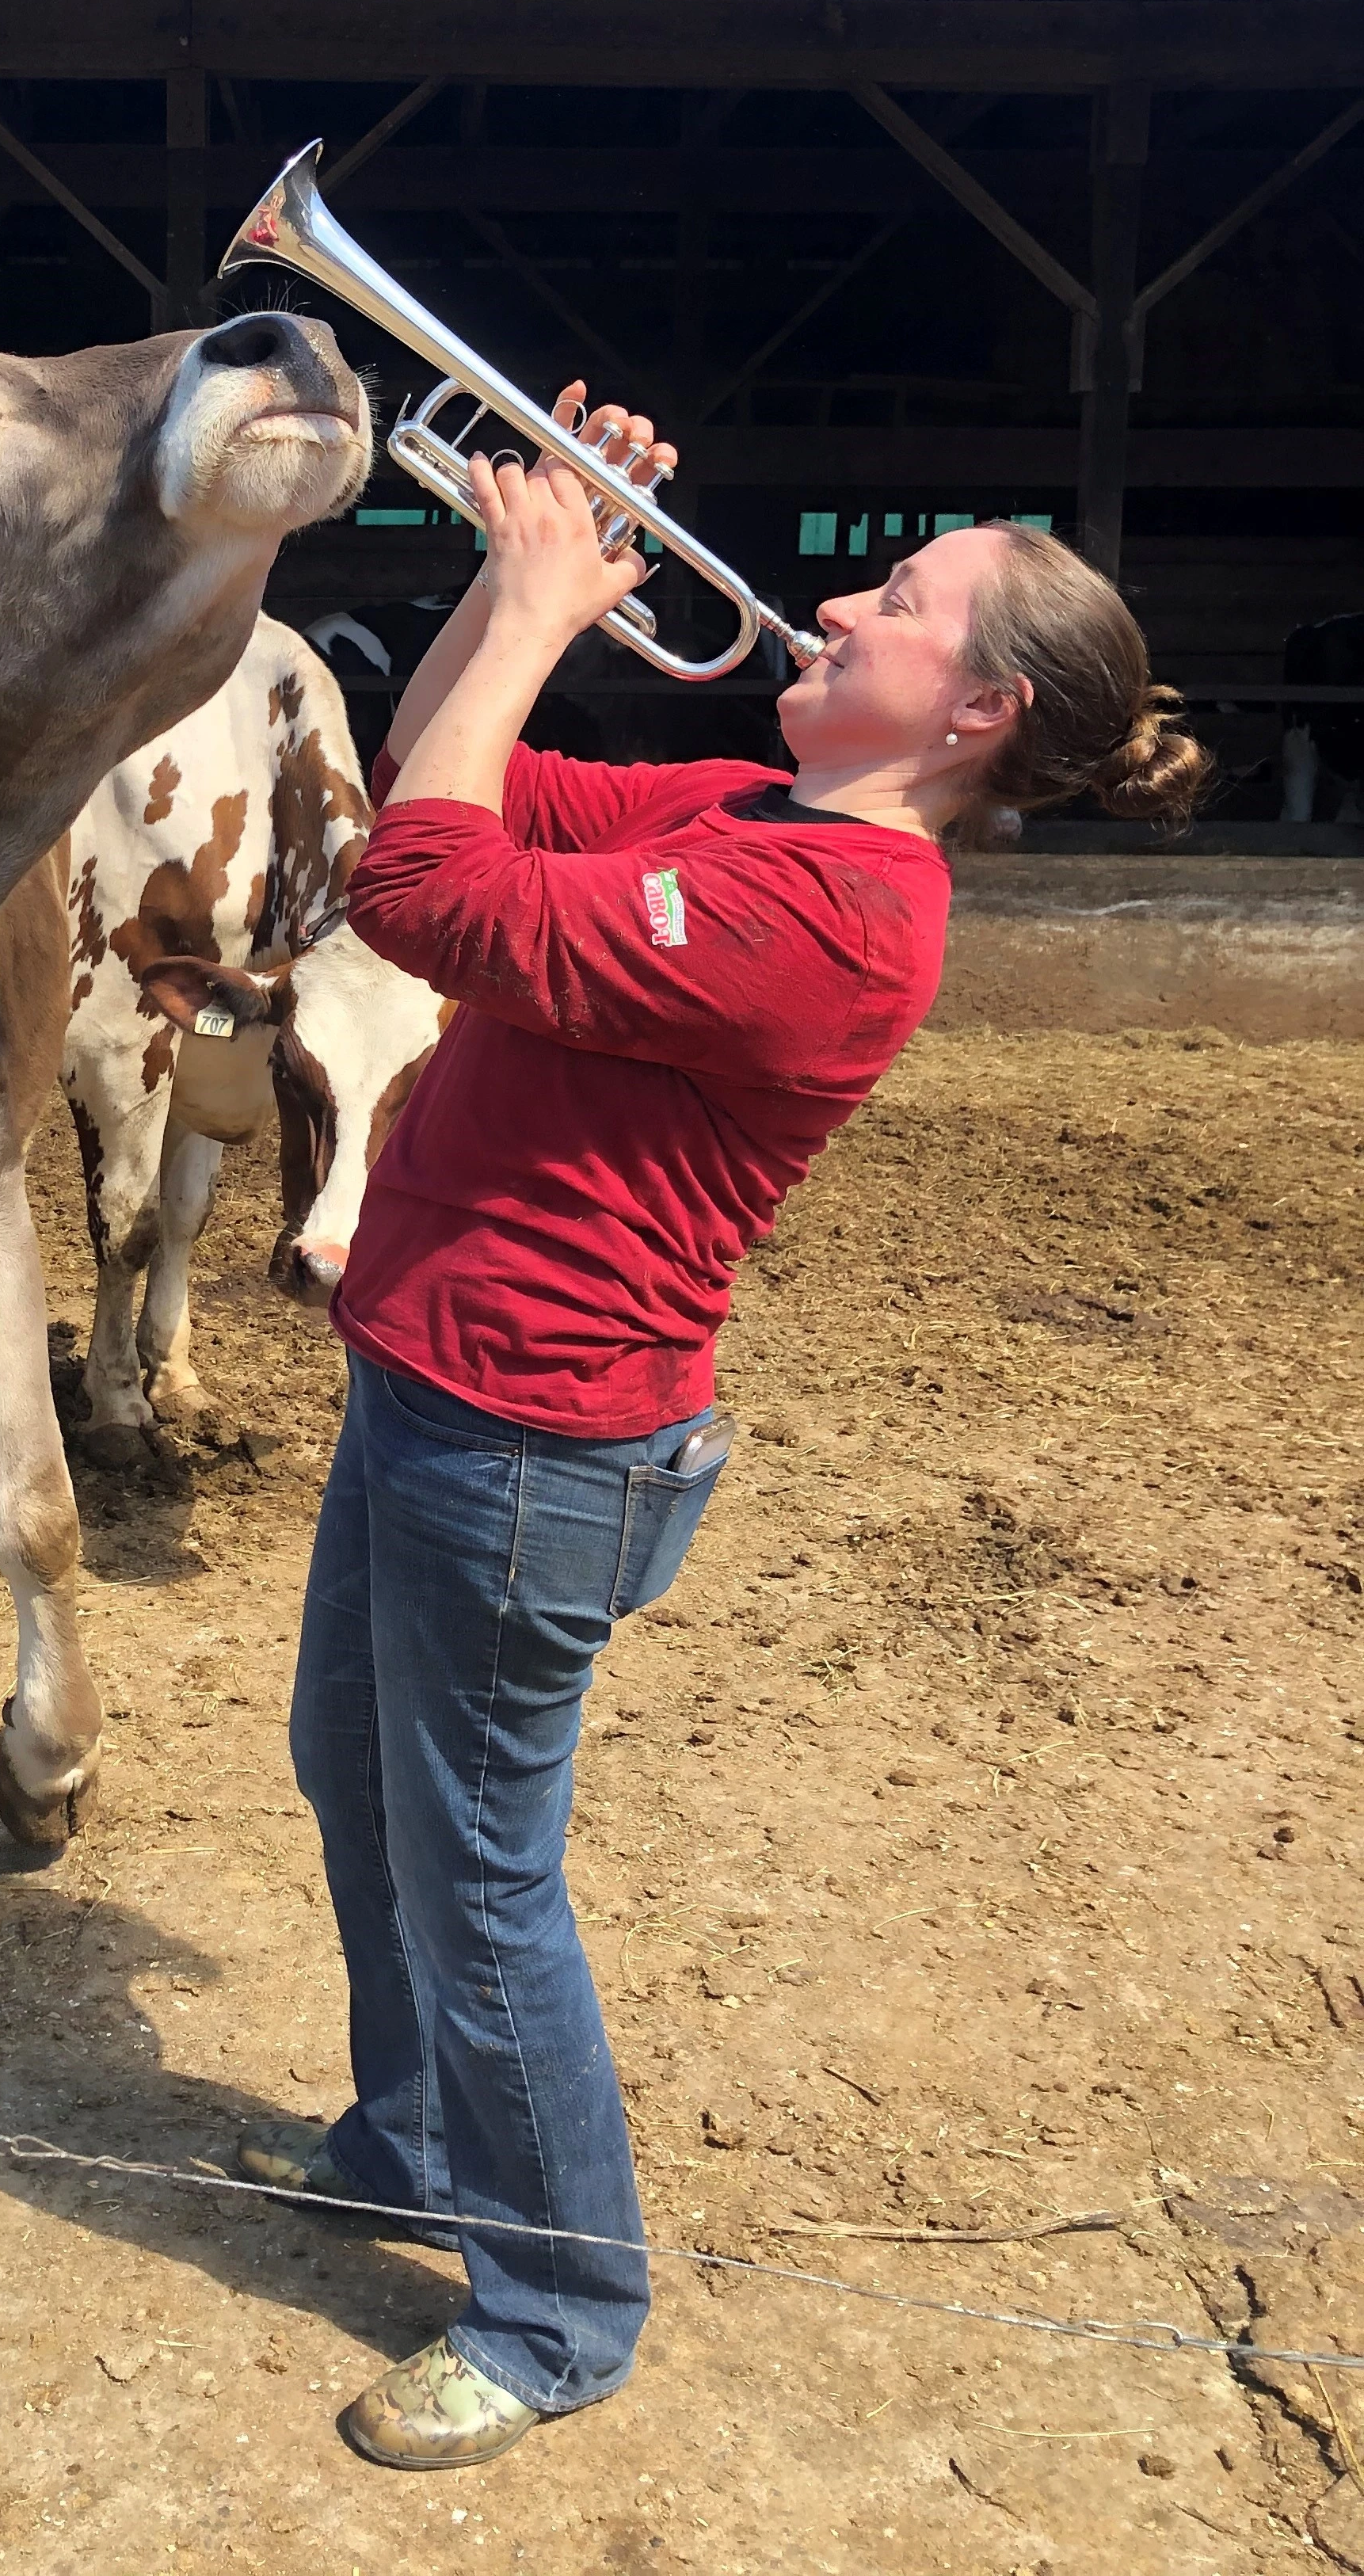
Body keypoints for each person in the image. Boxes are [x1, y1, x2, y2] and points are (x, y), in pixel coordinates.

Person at [237, 396, 1210, 2471]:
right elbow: (480, 796)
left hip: (527, 1453)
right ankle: (410, 2143)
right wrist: (549, 557)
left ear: (978, 712)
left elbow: (427, 900)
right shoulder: (756, 809)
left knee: (485, 1885)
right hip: (433, 1383)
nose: (840, 599)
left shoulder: (843, 915)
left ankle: (561, 2307)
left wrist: (523, 599)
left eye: (900, 600)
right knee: (354, 1776)